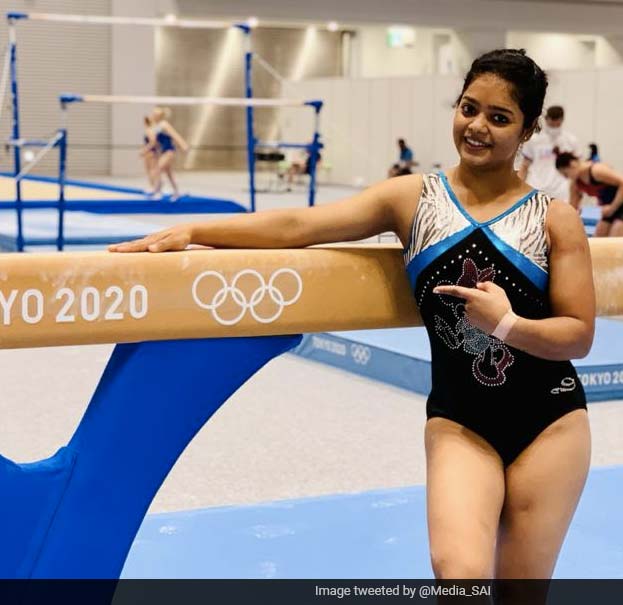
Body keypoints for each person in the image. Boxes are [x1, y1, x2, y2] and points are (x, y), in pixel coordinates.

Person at [109, 49, 594, 585]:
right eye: (468, 108)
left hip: (550, 423)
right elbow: (300, 224)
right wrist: (198, 231)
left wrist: (507, 325)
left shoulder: (555, 219)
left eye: (499, 118)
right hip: (462, 419)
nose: (477, 126)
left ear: (526, 131)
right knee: (459, 573)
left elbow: (578, 335)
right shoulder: (412, 198)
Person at [555, 151, 623, 237]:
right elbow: (573, 208)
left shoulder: (596, 170)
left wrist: (612, 208)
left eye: (566, 174)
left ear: (572, 164)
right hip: (608, 210)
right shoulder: (575, 184)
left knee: (613, 242)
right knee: (597, 241)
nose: (566, 178)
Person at [517, 105, 581, 201]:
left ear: (562, 120)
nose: (554, 127)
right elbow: (524, 167)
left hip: (561, 190)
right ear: (546, 120)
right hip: (537, 187)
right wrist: (517, 190)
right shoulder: (534, 140)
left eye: (557, 124)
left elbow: (577, 169)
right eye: (552, 125)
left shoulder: (571, 141)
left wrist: (576, 196)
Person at [149, 107, 189, 201]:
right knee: (169, 174)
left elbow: (174, 135)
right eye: (153, 114)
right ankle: (176, 192)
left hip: (169, 151)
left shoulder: (164, 124)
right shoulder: (156, 126)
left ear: (159, 116)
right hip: (163, 151)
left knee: (158, 169)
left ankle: (158, 191)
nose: (153, 115)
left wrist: (183, 145)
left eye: (155, 114)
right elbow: (156, 142)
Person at [140, 116, 160, 194]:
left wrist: (144, 150)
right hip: (150, 152)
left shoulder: (149, 131)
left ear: (145, 122)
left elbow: (153, 142)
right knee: (150, 170)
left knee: (151, 170)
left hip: (150, 153)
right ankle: (153, 186)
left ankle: (154, 187)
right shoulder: (150, 130)